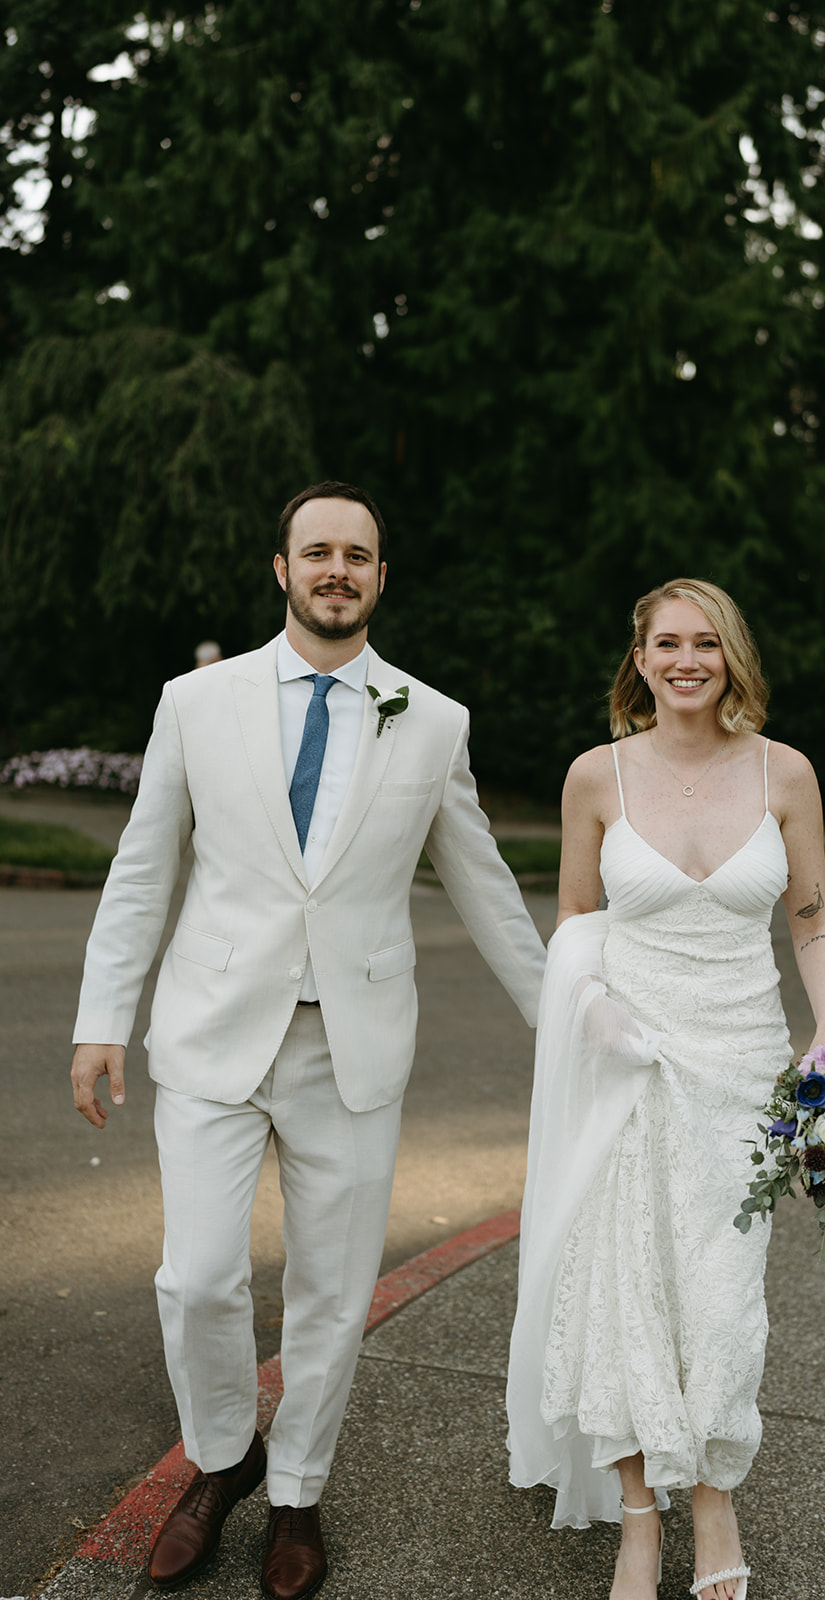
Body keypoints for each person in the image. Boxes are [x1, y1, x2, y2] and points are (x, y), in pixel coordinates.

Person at [71, 481, 546, 1600]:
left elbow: (484, 885)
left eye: (360, 554)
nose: (338, 569)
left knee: (334, 1290)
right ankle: (222, 1459)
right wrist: (101, 1019)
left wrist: (560, 1013)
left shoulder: (430, 720)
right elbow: (145, 867)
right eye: (317, 550)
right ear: (280, 568)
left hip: (353, 1044)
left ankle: (297, 1492)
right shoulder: (196, 701)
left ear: (382, 578)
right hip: (211, 1031)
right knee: (196, 1279)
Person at [506, 578, 825, 1600]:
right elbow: (572, 916)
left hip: (740, 1067)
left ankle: (714, 1495)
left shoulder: (783, 774)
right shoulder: (593, 776)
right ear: (640, 658)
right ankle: (643, 1523)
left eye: (704, 643)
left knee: (723, 1300)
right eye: (666, 643)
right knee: (624, 1291)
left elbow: (812, 920)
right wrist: (593, 1003)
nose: (685, 659)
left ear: (729, 655)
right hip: (630, 1058)